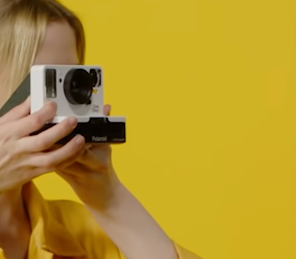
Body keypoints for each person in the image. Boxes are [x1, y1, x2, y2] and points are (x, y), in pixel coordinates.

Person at [0, 0, 202, 259]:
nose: (58, 104)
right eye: (48, 82)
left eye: (71, 81)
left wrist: (110, 199)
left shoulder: (82, 232)